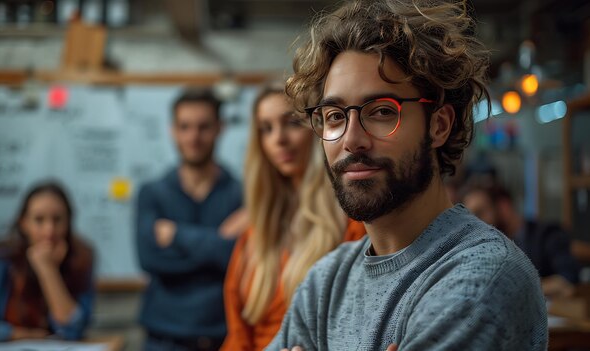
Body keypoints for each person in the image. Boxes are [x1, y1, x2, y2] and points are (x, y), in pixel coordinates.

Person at [267, 0, 547, 350]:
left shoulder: (482, 277)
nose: (352, 139)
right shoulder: (325, 283)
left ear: (439, 126)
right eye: (335, 116)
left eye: (382, 111)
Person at [221, 84, 366, 351]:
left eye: (291, 122)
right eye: (266, 128)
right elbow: (238, 337)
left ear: (319, 128)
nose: (279, 139)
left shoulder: (354, 225)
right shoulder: (256, 233)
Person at [136, 88, 244, 351]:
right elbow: (150, 259)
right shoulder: (151, 194)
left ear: (220, 128)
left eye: (203, 127)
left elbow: (241, 260)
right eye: (185, 127)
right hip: (162, 340)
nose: (193, 137)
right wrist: (217, 243)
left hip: (225, 339)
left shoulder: (243, 194)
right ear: (173, 130)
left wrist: (176, 236)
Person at [0, 182, 94, 342]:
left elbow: (73, 330)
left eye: (57, 219)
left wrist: (48, 270)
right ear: (24, 222)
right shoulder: (1, 260)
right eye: (39, 220)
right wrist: (13, 334)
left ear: (68, 221)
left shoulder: (81, 259)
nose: (49, 230)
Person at [461, 180, 581, 298]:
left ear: (504, 207)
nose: (475, 224)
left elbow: (568, 280)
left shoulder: (548, 235)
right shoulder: (486, 249)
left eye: (479, 213)